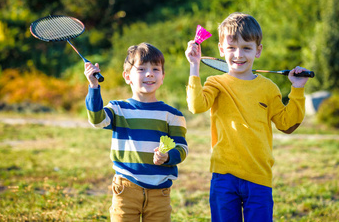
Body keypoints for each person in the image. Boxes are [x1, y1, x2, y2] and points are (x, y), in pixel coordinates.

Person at [185, 12, 310, 222]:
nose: (238, 55)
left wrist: (297, 89)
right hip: (224, 176)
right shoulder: (215, 83)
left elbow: (287, 124)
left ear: (258, 50)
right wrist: (194, 65)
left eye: (246, 48)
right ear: (221, 49)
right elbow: (196, 106)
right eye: (232, 48)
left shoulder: (268, 88)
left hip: (259, 176)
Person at [85, 42, 188, 222]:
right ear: (127, 77)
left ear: (163, 76)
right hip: (126, 188)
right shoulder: (118, 109)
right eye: (141, 69)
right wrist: (94, 87)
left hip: (160, 192)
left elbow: (182, 148)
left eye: (155, 69)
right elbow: (97, 120)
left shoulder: (172, 115)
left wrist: (168, 156)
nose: (149, 73)